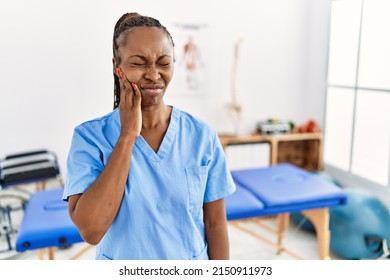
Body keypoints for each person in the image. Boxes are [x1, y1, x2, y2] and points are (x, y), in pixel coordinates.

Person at [63, 12, 236, 260]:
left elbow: (215, 225)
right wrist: (127, 137)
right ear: (117, 66)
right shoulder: (90, 138)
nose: (154, 75)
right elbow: (91, 230)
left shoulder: (201, 135)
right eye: (139, 63)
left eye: (164, 63)